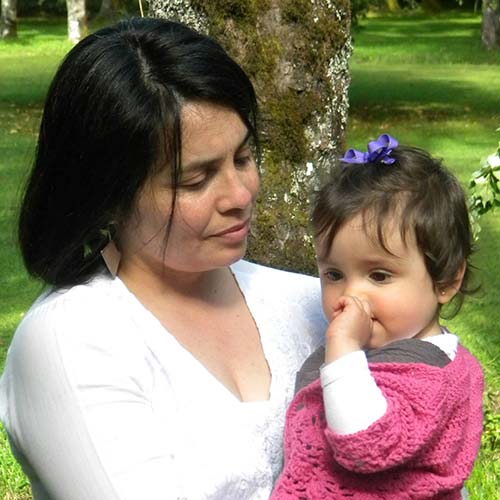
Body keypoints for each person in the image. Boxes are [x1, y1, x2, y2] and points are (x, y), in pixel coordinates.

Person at [0, 18, 327, 500]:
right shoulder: (69, 342)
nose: (240, 195)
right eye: (196, 180)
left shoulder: (311, 305)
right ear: (107, 196)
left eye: (243, 158)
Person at [271, 134, 484, 500]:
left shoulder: (431, 377)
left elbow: (366, 441)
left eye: (379, 276)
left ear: (446, 281)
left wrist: (343, 348)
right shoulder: (393, 350)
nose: (351, 295)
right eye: (334, 274)